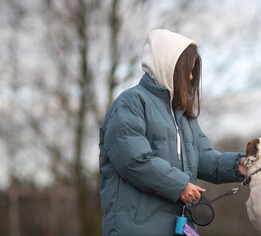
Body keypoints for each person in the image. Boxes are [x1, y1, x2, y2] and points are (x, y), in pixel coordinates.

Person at [99, 29, 248, 236]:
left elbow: (204, 158)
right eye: (186, 69)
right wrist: (179, 186)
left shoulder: (183, 114)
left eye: (193, 71)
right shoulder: (131, 103)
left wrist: (240, 165)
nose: (190, 76)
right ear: (167, 66)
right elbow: (133, 160)